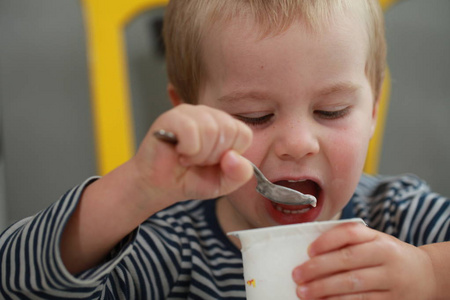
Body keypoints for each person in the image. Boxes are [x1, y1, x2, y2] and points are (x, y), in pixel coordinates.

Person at [1, 0, 449, 299]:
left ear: (372, 107)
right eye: (254, 116)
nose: (297, 144)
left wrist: (429, 275)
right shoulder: (171, 250)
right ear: (190, 113)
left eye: (331, 111)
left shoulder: (402, 218)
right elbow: (16, 281)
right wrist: (131, 192)